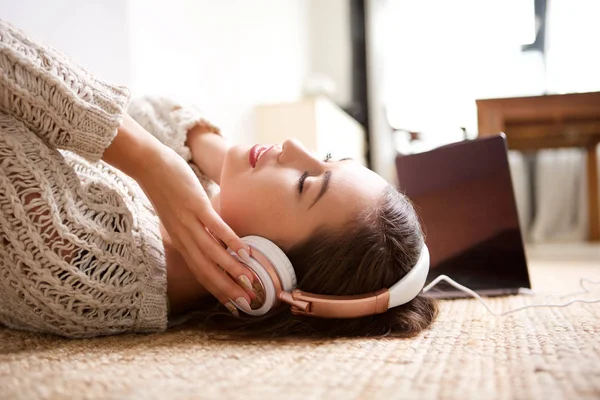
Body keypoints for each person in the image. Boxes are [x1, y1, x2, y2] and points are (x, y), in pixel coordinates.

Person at [0, 19, 437, 339]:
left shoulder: (78, 254)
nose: (291, 145)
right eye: (326, 157)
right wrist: (211, 151)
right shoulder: (193, 217)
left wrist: (153, 162)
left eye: (305, 182)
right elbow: (149, 110)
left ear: (258, 274)